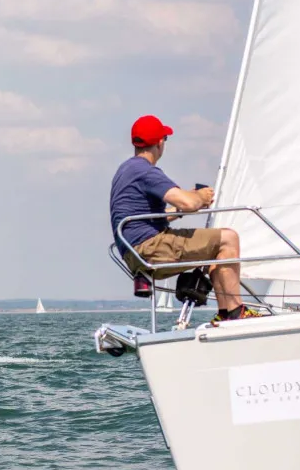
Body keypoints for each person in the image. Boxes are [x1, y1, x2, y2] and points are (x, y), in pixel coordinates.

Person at [109, 114, 260, 322]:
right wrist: (200, 197)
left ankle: (226, 315)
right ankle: (236, 311)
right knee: (229, 238)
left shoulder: (125, 169)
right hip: (151, 247)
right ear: (160, 143)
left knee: (217, 250)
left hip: (134, 252)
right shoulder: (146, 171)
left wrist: (182, 208)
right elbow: (188, 203)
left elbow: (151, 216)